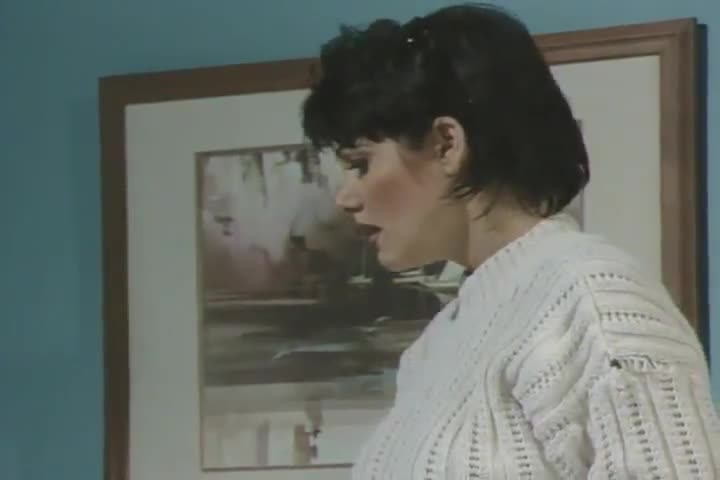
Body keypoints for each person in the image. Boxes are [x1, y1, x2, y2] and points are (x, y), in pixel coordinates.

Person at [301, 3, 720, 479]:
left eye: (360, 164)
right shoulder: (439, 343)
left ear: (447, 144)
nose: (345, 199)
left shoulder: (593, 298)